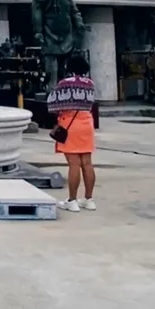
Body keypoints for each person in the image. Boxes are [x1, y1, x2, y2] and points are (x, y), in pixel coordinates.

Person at [48, 53, 97, 212]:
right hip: (87, 123)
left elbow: (52, 103)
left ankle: (72, 200)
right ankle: (89, 199)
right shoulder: (90, 83)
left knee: (74, 163)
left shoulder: (64, 83)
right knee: (87, 163)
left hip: (70, 124)